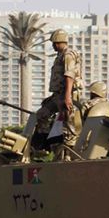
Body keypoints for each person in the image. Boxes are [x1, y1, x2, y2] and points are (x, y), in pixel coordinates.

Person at [34, 29, 82, 158]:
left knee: (68, 124)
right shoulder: (59, 57)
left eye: (55, 43)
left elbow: (69, 76)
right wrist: (53, 97)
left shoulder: (68, 55)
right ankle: (45, 145)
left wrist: (67, 96)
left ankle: (68, 153)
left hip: (68, 94)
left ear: (60, 42)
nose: (53, 45)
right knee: (42, 114)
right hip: (58, 95)